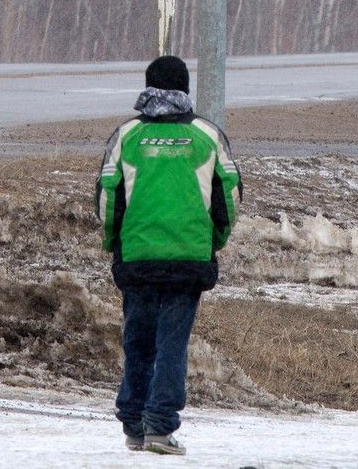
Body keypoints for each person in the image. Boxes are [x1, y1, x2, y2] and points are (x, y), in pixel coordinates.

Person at [96, 55, 241, 456]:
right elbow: (229, 198)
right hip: (188, 256)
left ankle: (133, 423)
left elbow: (108, 198)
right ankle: (160, 425)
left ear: (147, 87)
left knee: (138, 340)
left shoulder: (126, 135)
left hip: (138, 255)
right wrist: (213, 241)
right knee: (172, 343)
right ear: (185, 89)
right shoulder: (207, 135)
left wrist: (113, 242)